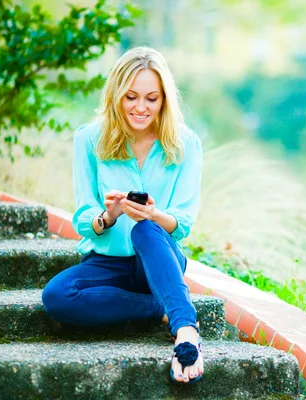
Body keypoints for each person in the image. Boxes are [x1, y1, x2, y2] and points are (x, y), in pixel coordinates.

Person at [41, 46, 204, 384]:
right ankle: (158, 308)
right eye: (131, 97)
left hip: (158, 258)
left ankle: (186, 331)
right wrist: (108, 215)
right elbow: (85, 217)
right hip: (108, 262)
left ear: (164, 101)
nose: (141, 107)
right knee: (56, 296)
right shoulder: (89, 139)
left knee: (144, 230)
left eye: (151, 98)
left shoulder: (186, 144)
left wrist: (154, 214)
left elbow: (183, 224)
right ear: (116, 94)